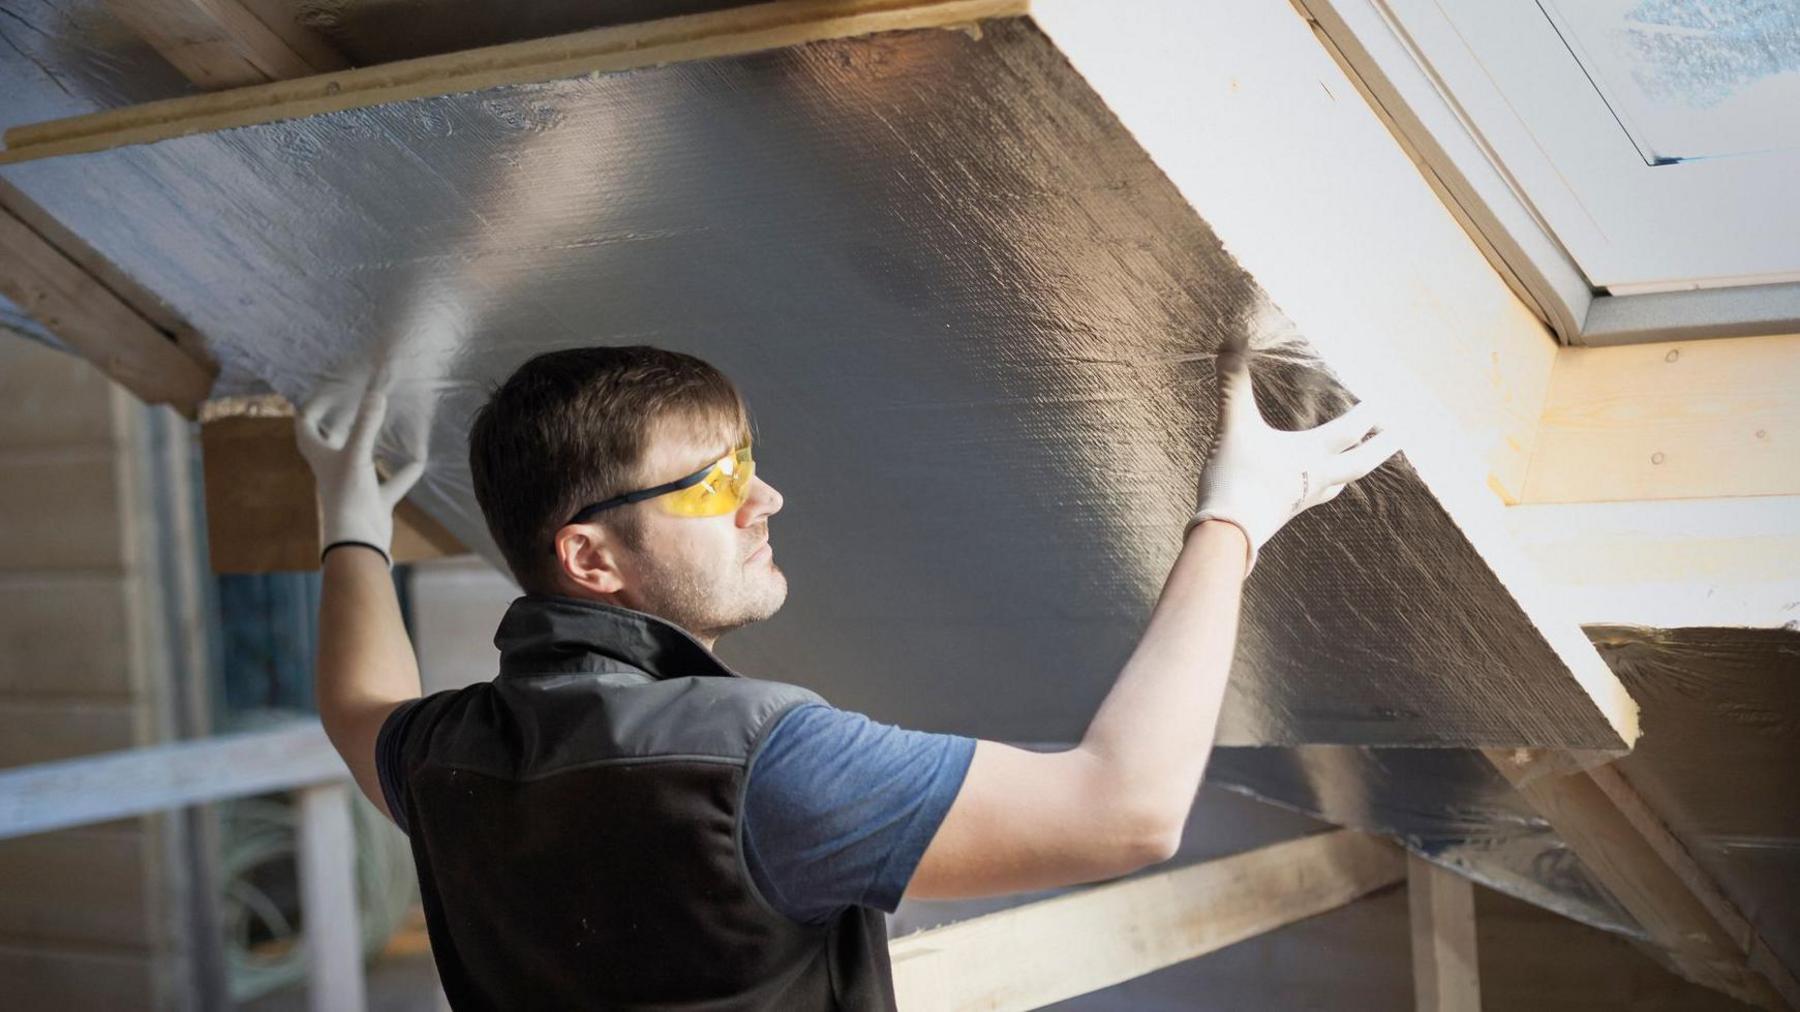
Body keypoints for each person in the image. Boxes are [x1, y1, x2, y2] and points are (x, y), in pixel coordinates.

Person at [296, 344, 1395, 1010]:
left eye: (749, 460)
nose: (762, 499)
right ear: (592, 558)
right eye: (710, 482)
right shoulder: (755, 763)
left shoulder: (453, 758)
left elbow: (357, 709)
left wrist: (348, 519)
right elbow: (1126, 808)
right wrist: (1235, 517)